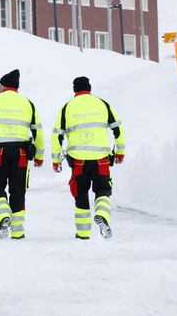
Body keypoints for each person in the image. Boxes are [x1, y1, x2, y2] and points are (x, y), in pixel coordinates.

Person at [51, 76, 126, 240]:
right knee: (103, 190)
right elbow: (118, 129)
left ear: (74, 90)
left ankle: (83, 234)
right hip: (101, 159)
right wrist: (120, 152)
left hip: (78, 160)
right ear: (89, 89)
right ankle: (102, 215)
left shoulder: (67, 107)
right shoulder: (103, 104)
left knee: (80, 194)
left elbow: (57, 136)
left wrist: (56, 159)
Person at [0, 69, 44, 239]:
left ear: (3, 85)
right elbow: (38, 132)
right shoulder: (28, 103)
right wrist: (39, 156)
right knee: (18, 190)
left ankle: (4, 216)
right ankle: (18, 232)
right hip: (20, 152)